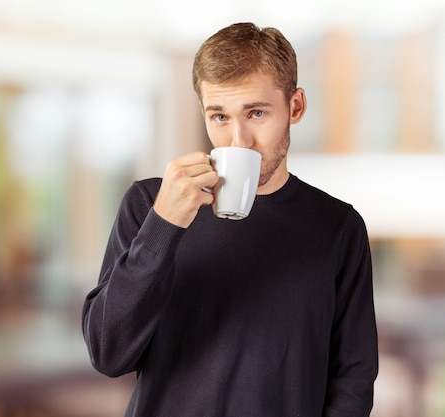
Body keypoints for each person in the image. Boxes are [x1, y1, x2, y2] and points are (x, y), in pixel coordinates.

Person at [82, 22, 378, 417]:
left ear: (296, 107)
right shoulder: (150, 204)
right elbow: (108, 353)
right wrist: (164, 225)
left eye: (256, 112)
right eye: (219, 117)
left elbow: (354, 377)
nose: (238, 140)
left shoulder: (337, 227)